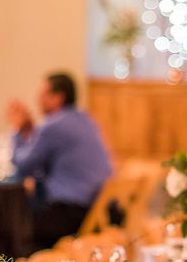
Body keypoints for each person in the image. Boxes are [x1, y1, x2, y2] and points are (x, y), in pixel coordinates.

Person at [7, 72, 112, 249]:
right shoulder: (84, 119)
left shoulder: (54, 125)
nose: (37, 99)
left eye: (43, 95)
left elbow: (23, 166)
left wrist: (17, 129)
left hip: (70, 213)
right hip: (95, 209)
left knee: (10, 224)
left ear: (58, 98)